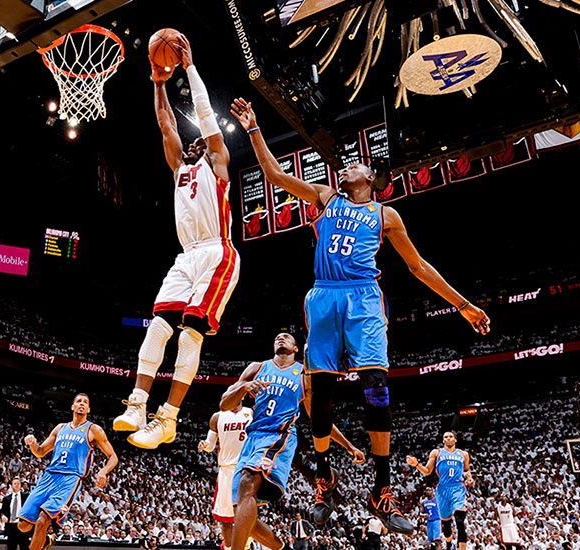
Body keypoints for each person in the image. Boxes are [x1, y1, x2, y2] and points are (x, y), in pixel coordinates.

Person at [229, 98, 491, 532]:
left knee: (376, 387)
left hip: (364, 298)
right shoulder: (325, 197)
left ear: (370, 178)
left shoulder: (386, 215)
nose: (345, 169)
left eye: (354, 166)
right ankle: (324, 480)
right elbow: (275, 176)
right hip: (324, 296)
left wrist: (462, 304)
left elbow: (418, 266)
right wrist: (254, 129)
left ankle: (381, 489)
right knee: (320, 394)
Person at [113, 33, 241, 450]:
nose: (196, 141)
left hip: (218, 252)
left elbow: (204, 113)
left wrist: (189, 68)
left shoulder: (217, 163)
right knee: (158, 327)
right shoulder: (178, 168)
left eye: (201, 139)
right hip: (186, 257)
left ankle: (168, 418)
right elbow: (165, 122)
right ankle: (138, 405)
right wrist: (157, 82)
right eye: (194, 140)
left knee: (190, 334)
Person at [221, 333, 362, 550]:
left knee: (248, 482)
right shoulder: (257, 368)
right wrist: (244, 387)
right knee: (241, 511)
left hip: (279, 435)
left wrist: (348, 446)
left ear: (296, 348)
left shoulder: (303, 374)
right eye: (277, 337)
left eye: (286, 337)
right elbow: (224, 404)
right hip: (252, 438)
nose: (281, 338)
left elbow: (318, 418)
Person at [17, 393, 118, 550]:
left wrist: (103, 471)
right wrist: (32, 444)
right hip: (49, 476)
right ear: (72, 406)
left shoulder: (93, 430)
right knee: (23, 525)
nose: (82, 404)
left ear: (88, 409)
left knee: (43, 519)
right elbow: (40, 452)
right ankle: (45, 539)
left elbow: (113, 457)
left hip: (70, 479)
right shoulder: (60, 428)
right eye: (79, 401)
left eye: (85, 402)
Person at [197, 398, 253, 550]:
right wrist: (205, 445)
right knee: (225, 518)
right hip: (226, 470)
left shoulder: (250, 413)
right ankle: (228, 547)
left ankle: (246, 543)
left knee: (247, 513)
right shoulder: (217, 417)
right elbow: (210, 444)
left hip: (246, 468)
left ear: (241, 396)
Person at [406, 432, 475, 550]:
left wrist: (469, 478)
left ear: (455, 440)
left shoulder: (464, 454)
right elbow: (427, 471)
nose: (448, 438)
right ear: (443, 441)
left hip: (458, 488)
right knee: (446, 525)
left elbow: (466, 470)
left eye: (450, 436)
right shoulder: (436, 452)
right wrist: (417, 464)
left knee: (460, 520)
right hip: (442, 489)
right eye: (445, 437)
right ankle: (448, 543)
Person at [1, 477, 29, 550]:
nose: (16, 485)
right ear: (11, 485)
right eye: (15, 484)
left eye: (18, 484)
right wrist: (2, 516)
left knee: (24, 547)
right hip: (11, 526)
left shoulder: (26, 496)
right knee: (11, 547)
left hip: (22, 525)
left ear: (20, 485)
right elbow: (2, 511)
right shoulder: (6, 499)